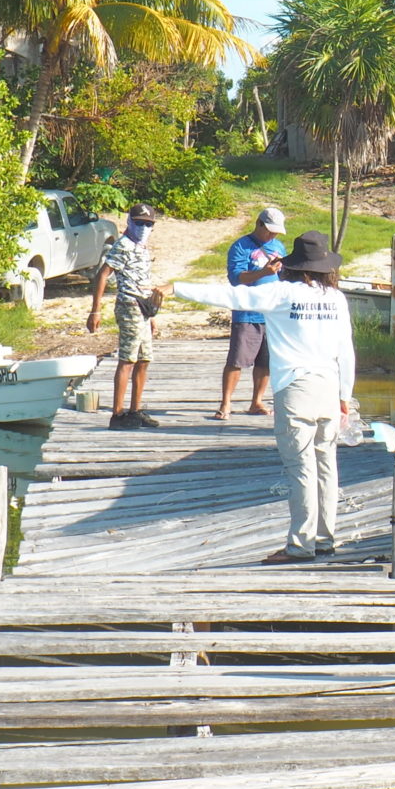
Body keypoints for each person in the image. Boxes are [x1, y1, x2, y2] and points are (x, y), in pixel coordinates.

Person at [170, 235, 356, 562]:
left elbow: (231, 295)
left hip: (297, 389)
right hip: (329, 386)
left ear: (294, 266)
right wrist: (345, 395)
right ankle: (325, 539)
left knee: (301, 468)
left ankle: (300, 546)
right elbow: (347, 352)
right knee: (327, 466)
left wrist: (177, 287)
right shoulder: (337, 299)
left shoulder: (281, 293)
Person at [86, 202, 163, 430]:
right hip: (129, 306)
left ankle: (135, 410)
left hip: (144, 308)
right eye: (139, 223)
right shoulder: (124, 245)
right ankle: (117, 414)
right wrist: (95, 310)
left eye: (148, 224)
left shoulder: (143, 247)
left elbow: (143, 280)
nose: (144, 228)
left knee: (144, 359)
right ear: (130, 222)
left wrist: (152, 314)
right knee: (127, 359)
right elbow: (103, 275)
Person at [211, 206, 289, 421]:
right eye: (269, 230)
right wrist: (264, 271)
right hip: (247, 313)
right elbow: (236, 278)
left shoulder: (278, 246)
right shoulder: (240, 247)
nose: (272, 235)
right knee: (237, 360)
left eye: (276, 232)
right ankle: (226, 403)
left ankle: (257, 401)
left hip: (272, 313)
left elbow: (285, 276)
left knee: (265, 361)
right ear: (259, 224)